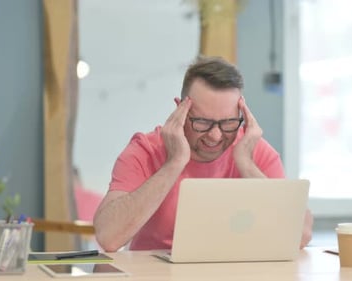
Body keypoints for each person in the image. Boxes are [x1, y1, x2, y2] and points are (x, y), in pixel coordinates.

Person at [93, 56, 314, 252]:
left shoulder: (253, 149)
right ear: (180, 110)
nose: (216, 136)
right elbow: (108, 238)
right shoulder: (145, 150)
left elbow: (301, 236)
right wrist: (175, 162)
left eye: (228, 123)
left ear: (241, 116)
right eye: (202, 122)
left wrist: (246, 164)